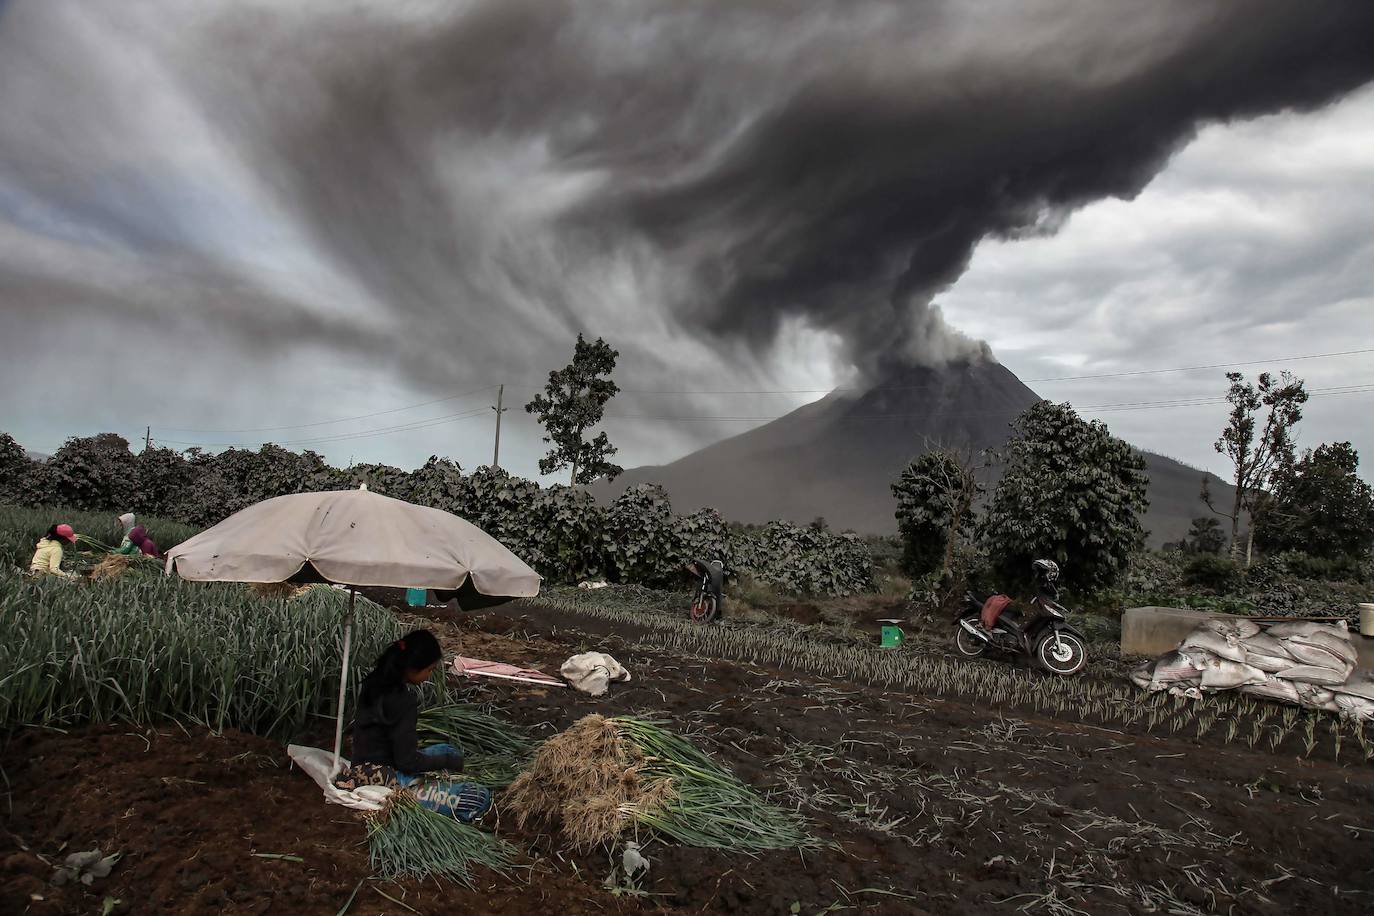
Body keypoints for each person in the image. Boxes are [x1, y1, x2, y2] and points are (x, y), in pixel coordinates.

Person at [333, 629, 492, 821]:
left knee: (447, 750)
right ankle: (416, 792)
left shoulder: (375, 682)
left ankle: (425, 782)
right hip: (386, 779)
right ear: (413, 667)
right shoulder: (403, 701)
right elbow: (407, 762)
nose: (429, 674)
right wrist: (447, 762)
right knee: (477, 797)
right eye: (430, 669)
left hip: (362, 768)